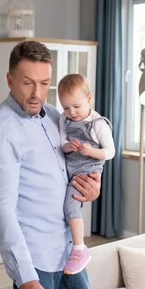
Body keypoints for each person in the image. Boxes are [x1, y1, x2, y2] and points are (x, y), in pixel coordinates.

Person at [0, 41, 102, 289]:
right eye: (28, 83)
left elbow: (71, 170)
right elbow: (2, 210)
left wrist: (90, 188)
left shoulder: (56, 116)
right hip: (36, 261)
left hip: (69, 252)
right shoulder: (0, 129)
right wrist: (27, 280)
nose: (37, 93)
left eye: (45, 83)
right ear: (10, 80)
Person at [57, 74, 115, 275]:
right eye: (65, 107)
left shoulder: (98, 124)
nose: (71, 112)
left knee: (70, 205)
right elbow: (62, 144)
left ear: (89, 99)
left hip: (87, 169)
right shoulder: (64, 119)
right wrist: (67, 146)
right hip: (71, 165)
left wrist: (91, 151)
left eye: (76, 106)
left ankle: (79, 248)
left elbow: (110, 152)